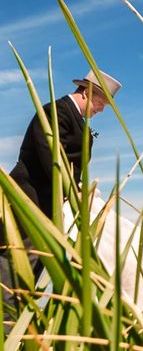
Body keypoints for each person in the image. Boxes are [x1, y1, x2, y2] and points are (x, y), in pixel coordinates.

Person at [2, 69, 121, 320]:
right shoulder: (54, 112)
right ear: (88, 93)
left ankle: (23, 322)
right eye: (102, 103)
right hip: (30, 200)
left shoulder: (80, 122)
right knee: (15, 260)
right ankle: (7, 323)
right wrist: (74, 189)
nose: (102, 110)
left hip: (53, 204)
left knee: (37, 262)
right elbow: (51, 155)